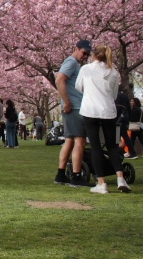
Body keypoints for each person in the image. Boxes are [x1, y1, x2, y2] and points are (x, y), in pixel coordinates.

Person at [76, 45, 132, 194]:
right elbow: (114, 95)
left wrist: (89, 91)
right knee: (112, 146)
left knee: (96, 147)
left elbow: (78, 86)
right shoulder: (113, 72)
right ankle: (121, 178)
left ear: (94, 55)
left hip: (90, 110)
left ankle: (102, 183)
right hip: (108, 111)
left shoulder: (86, 69)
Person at [53, 39, 92, 187]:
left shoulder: (75, 64)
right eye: (83, 53)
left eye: (87, 54)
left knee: (69, 141)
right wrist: (67, 101)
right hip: (74, 107)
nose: (85, 56)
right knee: (80, 141)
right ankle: (76, 176)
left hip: (73, 106)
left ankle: (61, 175)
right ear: (76, 48)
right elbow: (60, 80)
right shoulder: (71, 62)